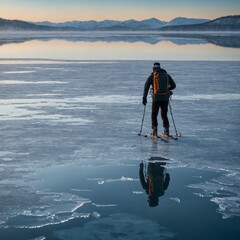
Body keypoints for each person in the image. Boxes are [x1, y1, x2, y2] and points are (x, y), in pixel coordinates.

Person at [142, 62, 176, 137]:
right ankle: (166, 131)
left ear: (153, 68)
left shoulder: (152, 76)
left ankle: (154, 130)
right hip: (165, 98)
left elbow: (146, 87)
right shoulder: (167, 75)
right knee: (164, 114)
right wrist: (167, 89)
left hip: (156, 98)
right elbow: (173, 85)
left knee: (154, 114)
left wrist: (144, 98)